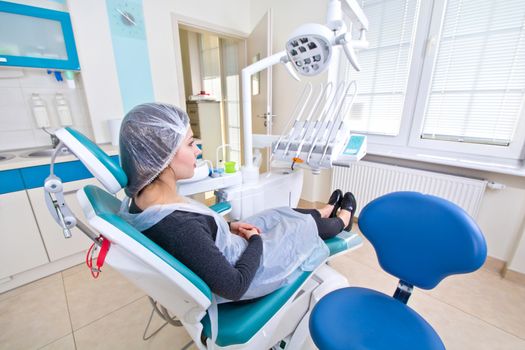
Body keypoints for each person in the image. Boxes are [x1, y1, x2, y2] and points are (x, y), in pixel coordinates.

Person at [118, 103, 357, 301]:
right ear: (164, 153)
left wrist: (228, 227)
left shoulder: (141, 200)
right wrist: (255, 240)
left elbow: (196, 231)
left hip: (225, 245)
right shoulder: (181, 229)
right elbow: (235, 286)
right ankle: (342, 220)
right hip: (248, 272)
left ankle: (323, 210)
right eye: (190, 143)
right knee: (300, 227)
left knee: (278, 213)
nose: (198, 151)